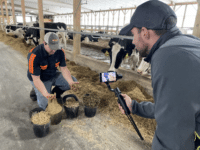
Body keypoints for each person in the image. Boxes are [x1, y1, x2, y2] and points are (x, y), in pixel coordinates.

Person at [117, 1, 200, 150]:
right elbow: (172, 108)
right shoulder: (190, 43)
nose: (134, 42)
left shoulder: (168, 56)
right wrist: (135, 106)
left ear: (144, 32)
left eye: (134, 35)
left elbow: (173, 138)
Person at [27, 32, 79, 110]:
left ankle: (56, 94)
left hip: (53, 73)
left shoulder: (60, 51)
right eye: (51, 47)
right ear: (44, 43)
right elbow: (36, 79)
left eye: (56, 47)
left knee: (72, 81)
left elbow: (64, 68)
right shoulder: (34, 55)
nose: (54, 51)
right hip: (40, 78)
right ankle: (36, 89)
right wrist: (45, 93)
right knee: (45, 105)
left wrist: (70, 81)